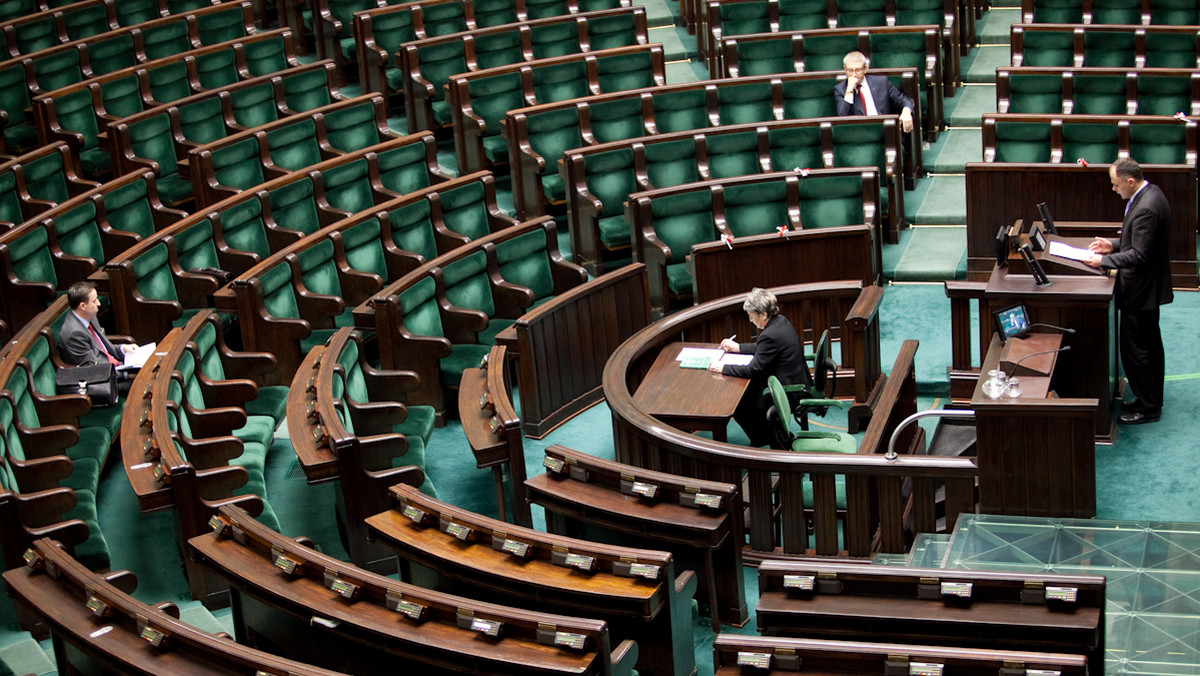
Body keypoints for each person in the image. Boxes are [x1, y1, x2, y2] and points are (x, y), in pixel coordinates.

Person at [1083, 158, 1173, 425]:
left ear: (1130, 181)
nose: (1114, 189)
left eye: (1116, 184)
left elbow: (1140, 255)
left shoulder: (1146, 207)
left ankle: (1148, 408)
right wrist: (1112, 245)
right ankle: (1151, 398)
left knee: (1138, 351)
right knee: (1149, 348)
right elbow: (1136, 240)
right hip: (1147, 289)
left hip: (1141, 291)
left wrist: (1104, 261)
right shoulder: (1151, 193)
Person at [707, 287, 812, 447]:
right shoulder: (781, 322)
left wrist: (723, 367)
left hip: (788, 390)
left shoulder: (769, 335)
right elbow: (764, 349)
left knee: (739, 402)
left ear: (763, 314)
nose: (750, 320)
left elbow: (752, 369)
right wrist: (739, 348)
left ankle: (767, 438)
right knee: (747, 394)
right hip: (794, 380)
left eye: (751, 316)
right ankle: (768, 435)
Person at [60, 281, 137, 394]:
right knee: (146, 383)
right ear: (83, 306)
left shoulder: (90, 316)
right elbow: (96, 371)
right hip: (102, 381)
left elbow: (103, 349)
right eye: (94, 300)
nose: (99, 303)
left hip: (113, 368)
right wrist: (128, 374)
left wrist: (123, 348)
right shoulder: (74, 334)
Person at [833, 51, 915, 134]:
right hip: (859, 133)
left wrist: (906, 111)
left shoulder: (881, 82)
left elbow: (904, 100)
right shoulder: (840, 89)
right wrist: (849, 90)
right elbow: (842, 117)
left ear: (865, 69)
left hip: (885, 130)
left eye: (858, 70)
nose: (854, 74)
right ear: (845, 69)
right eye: (850, 70)